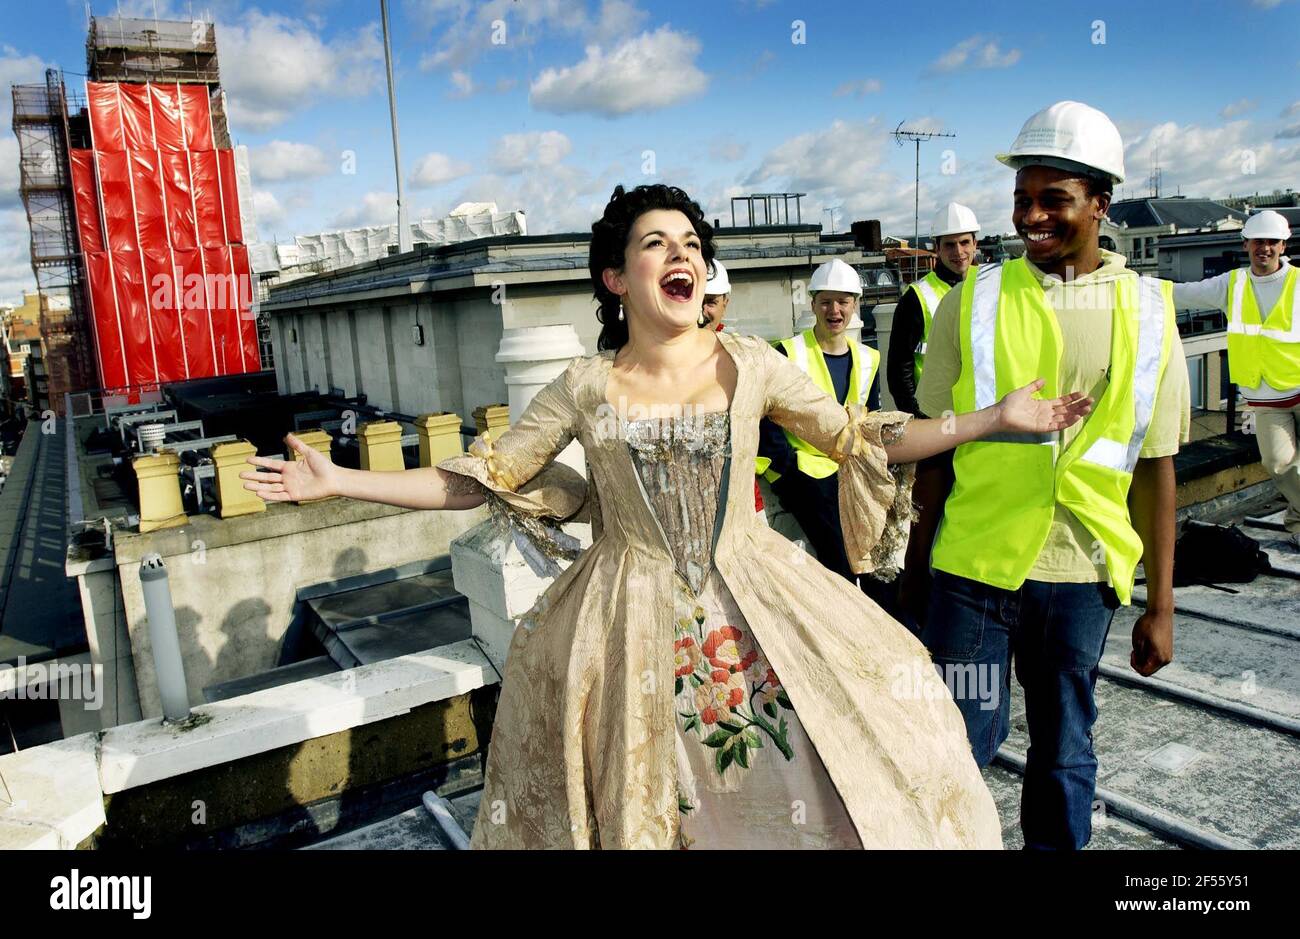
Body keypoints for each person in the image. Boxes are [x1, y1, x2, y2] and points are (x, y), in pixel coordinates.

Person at [241, 183, 1093, 850]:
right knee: (645, 806)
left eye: (691, 244)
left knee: (830, 768)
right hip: (623, 625)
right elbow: (482, 479)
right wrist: (340, 480)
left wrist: (989, 420)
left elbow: (858, 434)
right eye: (657, 244)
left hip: (760, 606)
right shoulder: (584, 384)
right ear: (616, 277)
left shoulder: (750, 364)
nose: (680, 256)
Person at [906, 102, 1190, 851]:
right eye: (1022, 199)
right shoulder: (971, 300)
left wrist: (1160, 604)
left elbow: (1157, 467)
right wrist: (912, 568)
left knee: (1064, 752)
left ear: (1100, 204)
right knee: (954, 745)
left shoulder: (1150, 311)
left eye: (1053, 199)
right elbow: (932, 448)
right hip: (972, 569)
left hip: (1080, 572)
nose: (1031, 215)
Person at [756, 259, 892, 607]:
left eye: (843, 301)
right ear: (813, 303)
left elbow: (871, 418)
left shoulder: (868, 358)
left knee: (882, 558)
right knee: (841, 561)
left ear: (854, 305)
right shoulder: (788, 353)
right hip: (807, 475)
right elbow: (765, 421)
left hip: (854, 471)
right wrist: (788, 474)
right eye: (826, 301)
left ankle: (885, 623)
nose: (835, 310)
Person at [1173, 209, 1299, 548]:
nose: (1265, 249)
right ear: (1246, 245)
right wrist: (1125, 282)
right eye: (1259, 242)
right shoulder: (1232, 284)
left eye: (1272, 242)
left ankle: (1298, 522)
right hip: (1265, 396)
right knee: (1279, 461)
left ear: (1283, 246)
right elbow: (1181, 293)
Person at [888, 202, 980, 418]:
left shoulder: (988, 286)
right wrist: (917, 417)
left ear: (975, 243)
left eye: (964, 242)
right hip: (935, 418)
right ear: (936, 248)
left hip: (979, 414)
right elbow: (899, 370)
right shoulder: (916, 297)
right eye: (949, 245)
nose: (958, 252)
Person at [700, 258, 730, 331]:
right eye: (696, 302)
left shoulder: (732, 342)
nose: (701, 314)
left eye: (710, 302)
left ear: (724, 305)